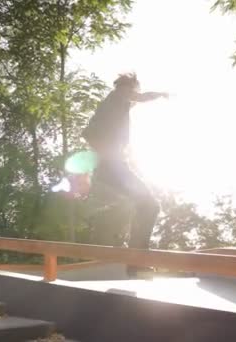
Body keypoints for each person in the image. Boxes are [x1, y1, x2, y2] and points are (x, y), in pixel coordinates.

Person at [82, 72, 168, 276]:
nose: (133, 98)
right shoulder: (118, 96)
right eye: (133, 90)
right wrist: (160, 94)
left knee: (138, 205)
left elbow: (89, 133)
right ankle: (136, 260)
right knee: (149, 205)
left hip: (108, 167)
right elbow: (140, 97)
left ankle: (127, 252)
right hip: (112, 166)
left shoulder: (113, 105)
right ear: (128, 87)